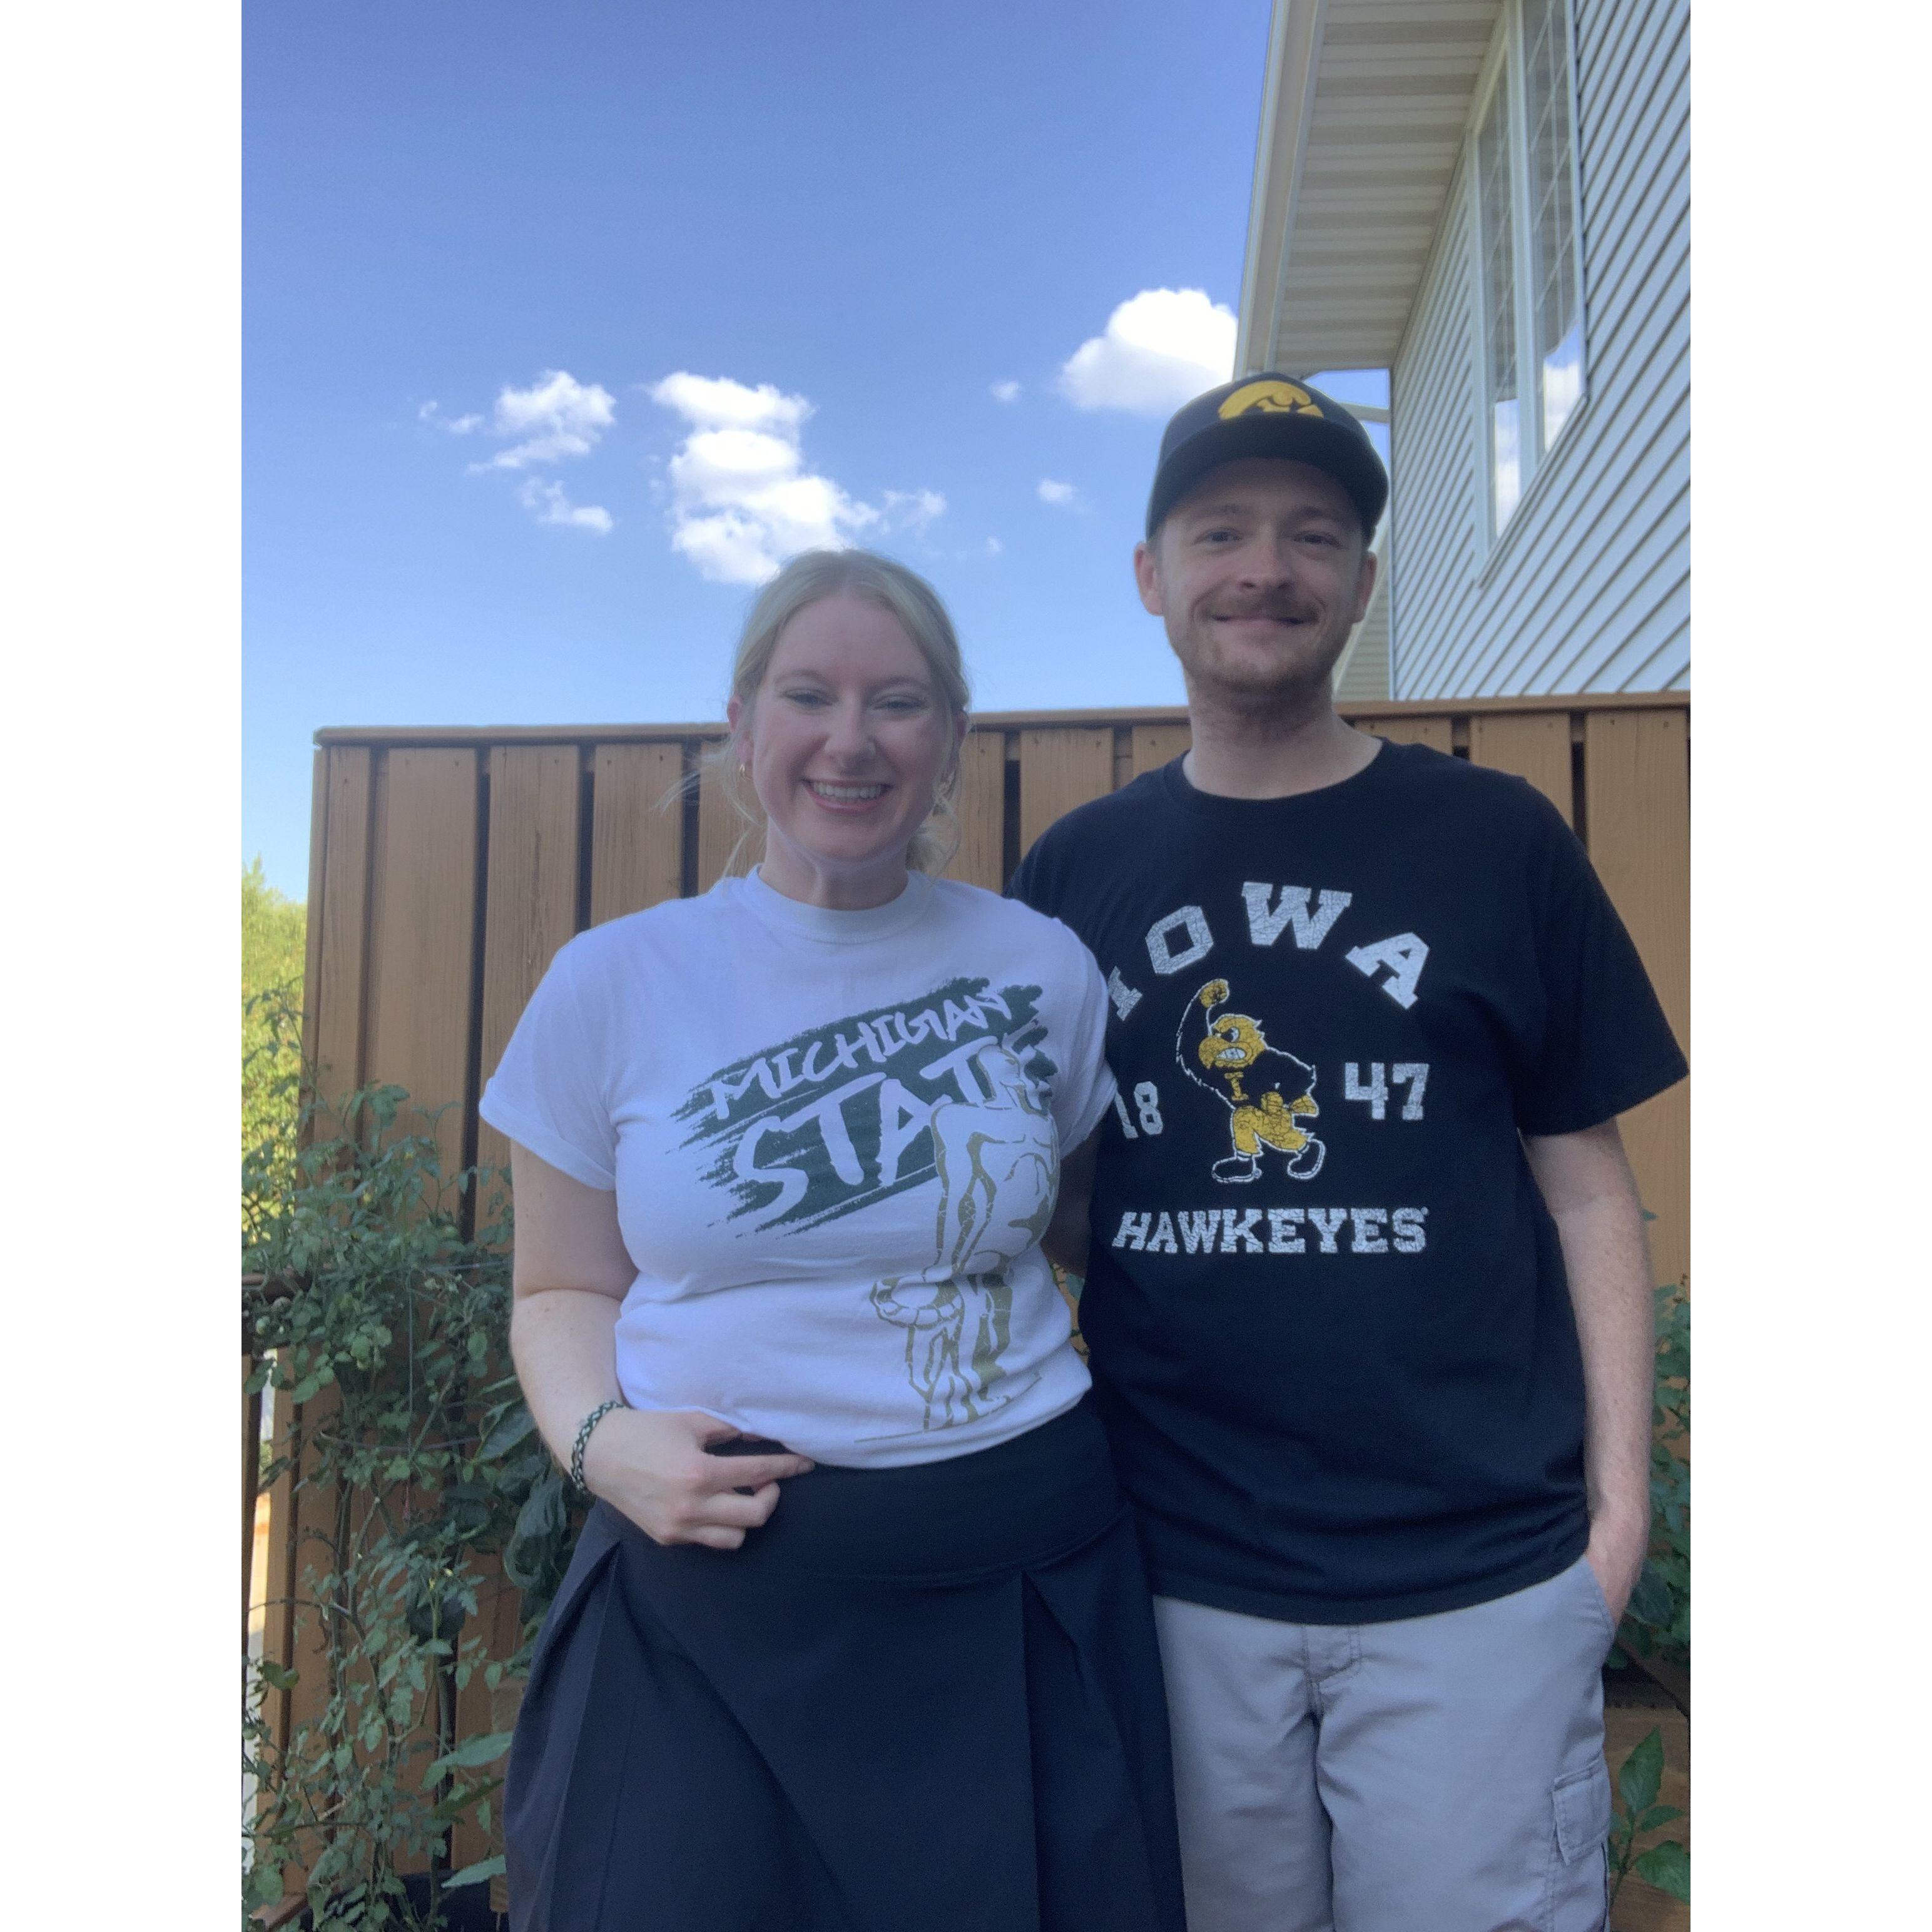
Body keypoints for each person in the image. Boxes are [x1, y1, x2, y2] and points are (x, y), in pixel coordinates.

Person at [1009, 375, 1689, 1932]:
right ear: (1150, 576)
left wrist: (1615, 1519)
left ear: (1363, 582)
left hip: (1476, 1579)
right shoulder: (1075, 872)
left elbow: (1585, 1183)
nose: (1265, 567)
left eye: (1311, 534)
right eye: (1220, 531)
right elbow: (1050, 1197)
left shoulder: (1494, 837)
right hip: (1168, 1571)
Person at [480, 549, 1186, 1932]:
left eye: (897, 702)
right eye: (809, 695)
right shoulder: (613, 981)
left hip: (1021, 1576)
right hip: (709, 1588)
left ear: (951, 736)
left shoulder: (1039, 966)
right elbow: (559, 1284)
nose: (850, 740)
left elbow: (1079, 1227)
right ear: (742, 726)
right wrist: (598, 1443)